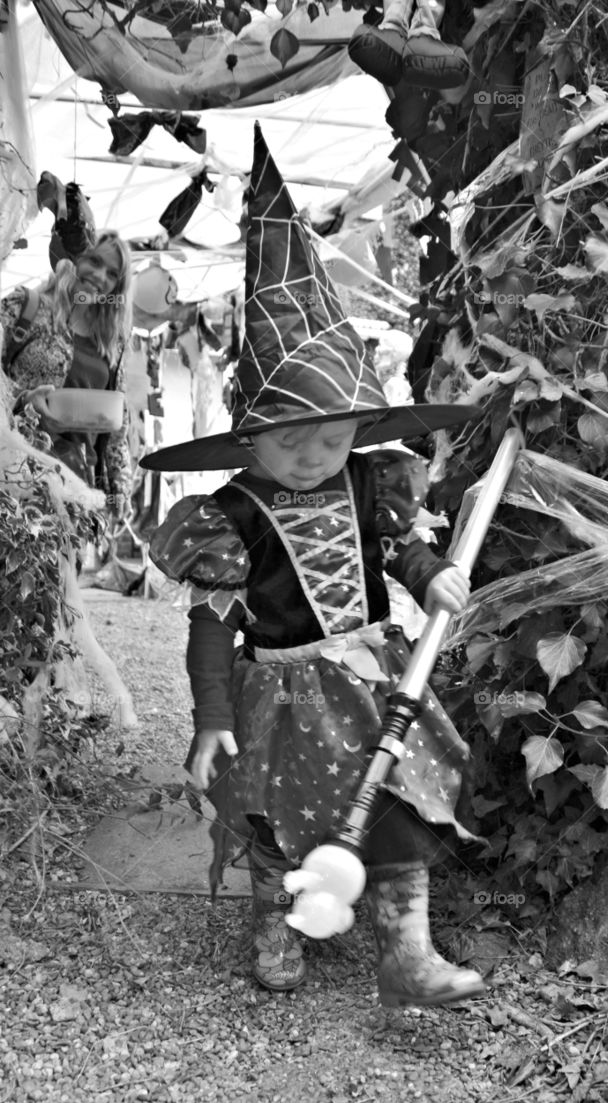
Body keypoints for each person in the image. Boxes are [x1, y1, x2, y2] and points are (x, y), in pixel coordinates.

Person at [142, 124, 485, 1008]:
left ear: (362, 435)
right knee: (273, 816)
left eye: (332, 439)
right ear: (247, 436)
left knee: (394, 802)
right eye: (288, 441)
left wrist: (428, 573)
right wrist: (211, 714)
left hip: (372, 677)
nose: (311, 457)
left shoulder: (371, 484)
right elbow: (211, 628)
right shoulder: (228, 518)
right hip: (280, 697)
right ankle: (277, 921)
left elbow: (397, 548)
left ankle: (405, 951)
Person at [0, 229, 133, 511]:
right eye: (94, 262)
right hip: (16, 477)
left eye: (112, 274)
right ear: (73, 258)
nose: (100, 277)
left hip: (78, 489)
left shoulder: (111, 341)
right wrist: (22, 401)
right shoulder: (27, 307)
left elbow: (118, 419)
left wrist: (120, 484)